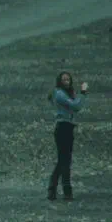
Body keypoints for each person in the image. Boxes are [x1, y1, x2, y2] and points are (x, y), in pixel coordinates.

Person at [47, 70, 87, 201]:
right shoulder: (60, 94)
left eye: (68, 79)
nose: (67, 82)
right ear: (59, 81)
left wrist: (76, 95)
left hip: (68, 128)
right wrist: (83, 93)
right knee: (65, 161)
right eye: (64, 79)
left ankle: (53, 189)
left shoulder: (65, 94)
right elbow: (76, 106)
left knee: (63, 161)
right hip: (63, 128)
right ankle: (66, 191)